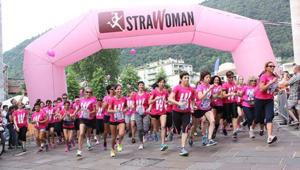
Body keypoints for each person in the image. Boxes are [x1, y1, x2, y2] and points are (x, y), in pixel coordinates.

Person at [168, 71, 195, 156]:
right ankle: (172, 131)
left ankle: (182, 148)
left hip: (186, 112)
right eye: (185, 78)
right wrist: (178, 103)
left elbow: (193, 100)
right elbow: (170, 98)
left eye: (188, 77)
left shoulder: (191, 89)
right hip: (176, 111)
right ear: (181, 79)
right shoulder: (177, 88)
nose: (187, 79)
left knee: (186, 129)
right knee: (177, 130)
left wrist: (193, 107)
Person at [190, 71, 217, 147]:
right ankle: (191, 136)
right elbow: (200, 97)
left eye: (209, 77)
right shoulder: (200, 86)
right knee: (194, 126)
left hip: (207, 108)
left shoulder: (210, 86)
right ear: (203, 78)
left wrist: (217, 95)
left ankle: (209, 139)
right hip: (198, 108)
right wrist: (209, 90)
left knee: (212, 121)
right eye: (207, 77)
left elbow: (211, 97)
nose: (208, 79)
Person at [255, 61, 278, 144]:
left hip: (269, 99)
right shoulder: (263, 76)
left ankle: (269, 137)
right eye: (270, 66)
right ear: (266, 67)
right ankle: (251, 127)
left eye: (273, 66)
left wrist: (276, 90)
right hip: (259, 99)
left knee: (269, 117)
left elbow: (274, 89)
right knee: (257, 118)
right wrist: (271, 82)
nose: (272, 67)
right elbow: (261, 89)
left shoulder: (274, 77)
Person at [149, 77, 169, 151]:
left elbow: (167, 100)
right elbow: (149, 101)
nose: (162, 84)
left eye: (163, 82)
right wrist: (155, 99)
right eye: (160, 82)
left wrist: (167, 102)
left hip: (162, 112)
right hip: (154, 112)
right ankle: (155, 132)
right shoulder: (154, 91)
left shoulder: (166, 91)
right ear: (158, 83)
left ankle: (162, 144)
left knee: (163, 126)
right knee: (155, 128)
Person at [76, 87, 96, 158]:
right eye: (87, 92)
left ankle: (88, 140)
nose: (88, 93)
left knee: (88, 134)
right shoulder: (81, 100)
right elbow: (79, 107)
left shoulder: (93, 100)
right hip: (82, 118)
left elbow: (94, 110)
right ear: (84, 92)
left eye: (90, 92)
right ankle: (79, 150)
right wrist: (74, 113)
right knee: (81, 133)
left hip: (90, 119)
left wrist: (89, 112)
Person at [108, 84, 127, 157]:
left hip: (121, 119)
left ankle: (119, 143)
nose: (119, 90)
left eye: (120, 89)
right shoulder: (112, 99)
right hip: (113, 120)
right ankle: (112, 150)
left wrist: (125, 109)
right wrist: (115, 111)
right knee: (113, 137)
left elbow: (126, 106)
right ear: (115, 90)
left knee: (121, 133)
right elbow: (109, 110)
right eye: (118, 89)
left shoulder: (124, 99)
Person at [280, 65, 300, 129]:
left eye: (293, 69)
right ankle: (298, 125)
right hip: (297, 95)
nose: (293, 70)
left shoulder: (296, 76)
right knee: (297, 110)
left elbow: (285, 84)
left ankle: (295, 120)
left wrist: (285, 77)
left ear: (297, 69)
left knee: (287, 107)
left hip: (293, 95)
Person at [222, 71, 238, 140]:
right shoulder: (225, 85)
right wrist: (230, 94)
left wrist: (238, 93)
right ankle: (224, 127)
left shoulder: (235, 84)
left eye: (232, 77)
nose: (231, 79)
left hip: (234, 102)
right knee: (227, 119)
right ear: (227, 78)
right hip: (226, 103)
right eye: (229, 77)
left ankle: (234, 131)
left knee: (235, 116)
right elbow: (223, 95)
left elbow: (236, 92)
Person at [134, 81, 151, 150]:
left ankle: (146, 134)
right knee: (139, 129)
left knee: (146, 127)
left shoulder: (147, 94)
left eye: (142, 85)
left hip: (145, 113)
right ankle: (141, 143)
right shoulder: (135, 95)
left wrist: (149, 108)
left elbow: (150, 103)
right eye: (140, 85)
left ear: (143, 86)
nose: (141, 86)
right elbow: (134, 104)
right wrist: (132, 106)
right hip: (137, 113)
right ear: (138, 86)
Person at [102, 85, 115, 150]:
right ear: (109, 90)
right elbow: (103, 107)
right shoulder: (106, 97)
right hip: (107, 115)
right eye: (111, 89)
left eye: (113, 89)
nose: (113, 90)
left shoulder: (115, 97)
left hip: (114, 115)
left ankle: (114, 142)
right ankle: (105, 141)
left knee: (114, 130)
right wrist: (107, 103)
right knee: (106, 131)